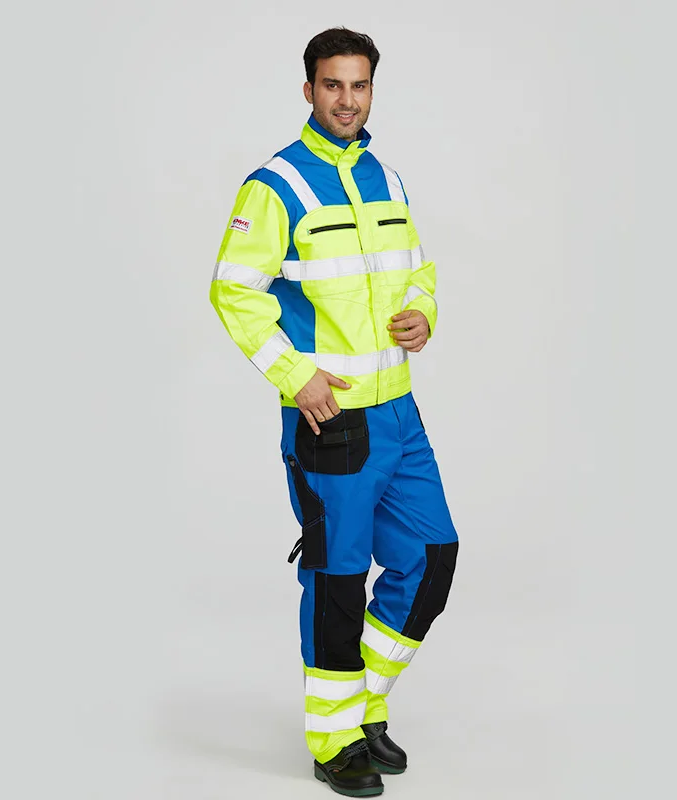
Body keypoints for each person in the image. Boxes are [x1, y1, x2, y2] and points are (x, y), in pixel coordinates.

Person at [209, 27, 459, 797]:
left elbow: (417, 270)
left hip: (399, 413)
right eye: (333, 85)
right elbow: (232, 289)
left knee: (431, 558)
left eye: (360, 85)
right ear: (309, 89)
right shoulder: (276, 185)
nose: (347, 100)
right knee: (338, 577)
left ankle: (363, 708)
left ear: (372, 89)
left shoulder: (388, 178)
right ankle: (334, 740)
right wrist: (295, 376)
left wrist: (422, 313)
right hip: (332, 422)